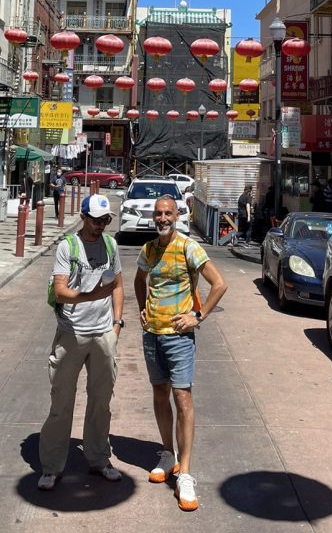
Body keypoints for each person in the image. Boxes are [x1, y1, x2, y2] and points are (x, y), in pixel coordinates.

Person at [133, 196, 228, 512]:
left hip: (179, 338)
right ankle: (166, 453)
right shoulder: (149, 250)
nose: (162, 218)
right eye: (158, 214)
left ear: (177, 215)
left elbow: (219, 284)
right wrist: (142, 310)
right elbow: (138, 280)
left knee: (182, 399)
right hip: (152, 336)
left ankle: (185, 473)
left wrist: (197, 317)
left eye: (167, 213)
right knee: (159, 394)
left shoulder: (189, 247)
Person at [38, 193, 124, 491]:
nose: (100, 225)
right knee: (62, 402)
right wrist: (90, 297)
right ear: (83, 217)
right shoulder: (68, 247)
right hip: (71, 333)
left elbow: (118, 285)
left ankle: (99, 458)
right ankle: (51, 466)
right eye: (95, 220)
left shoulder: (110, 244)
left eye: (105, 220)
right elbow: (60, 292)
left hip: (103, 333)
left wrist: (117, 323)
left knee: (101, 401)